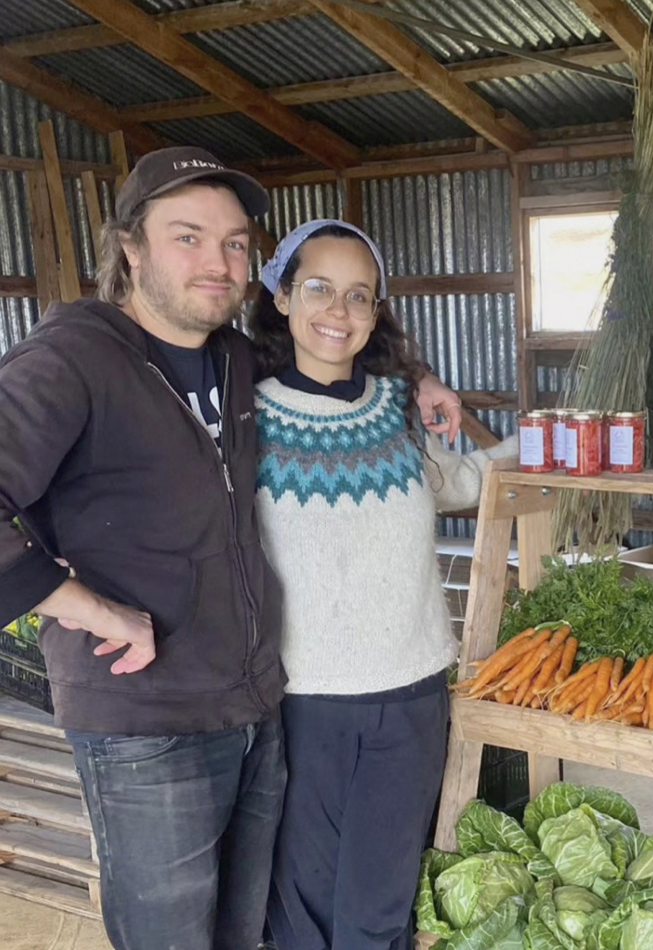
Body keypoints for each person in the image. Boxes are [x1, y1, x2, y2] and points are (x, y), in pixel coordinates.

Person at [0, 147, 466, 950]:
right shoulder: (75, 358)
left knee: (249, 931)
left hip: (250, 706)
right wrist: (84, 605)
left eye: (234, 244)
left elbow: (343, 344)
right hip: (146, 720)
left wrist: (417, 376)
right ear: (130, 246)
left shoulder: (232, 363)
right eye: (187, 236)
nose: (216, 262)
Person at [249, 219, 515, 950]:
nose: (339, 312)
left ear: (376, 313)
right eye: (320, 290)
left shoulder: (396, 407)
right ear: (280, 297)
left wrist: (550, 442)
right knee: (300, 910)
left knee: (380, 905)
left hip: (411, 696)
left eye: (359, 296)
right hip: (302, 700)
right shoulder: (246, 415)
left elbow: (458, 481)